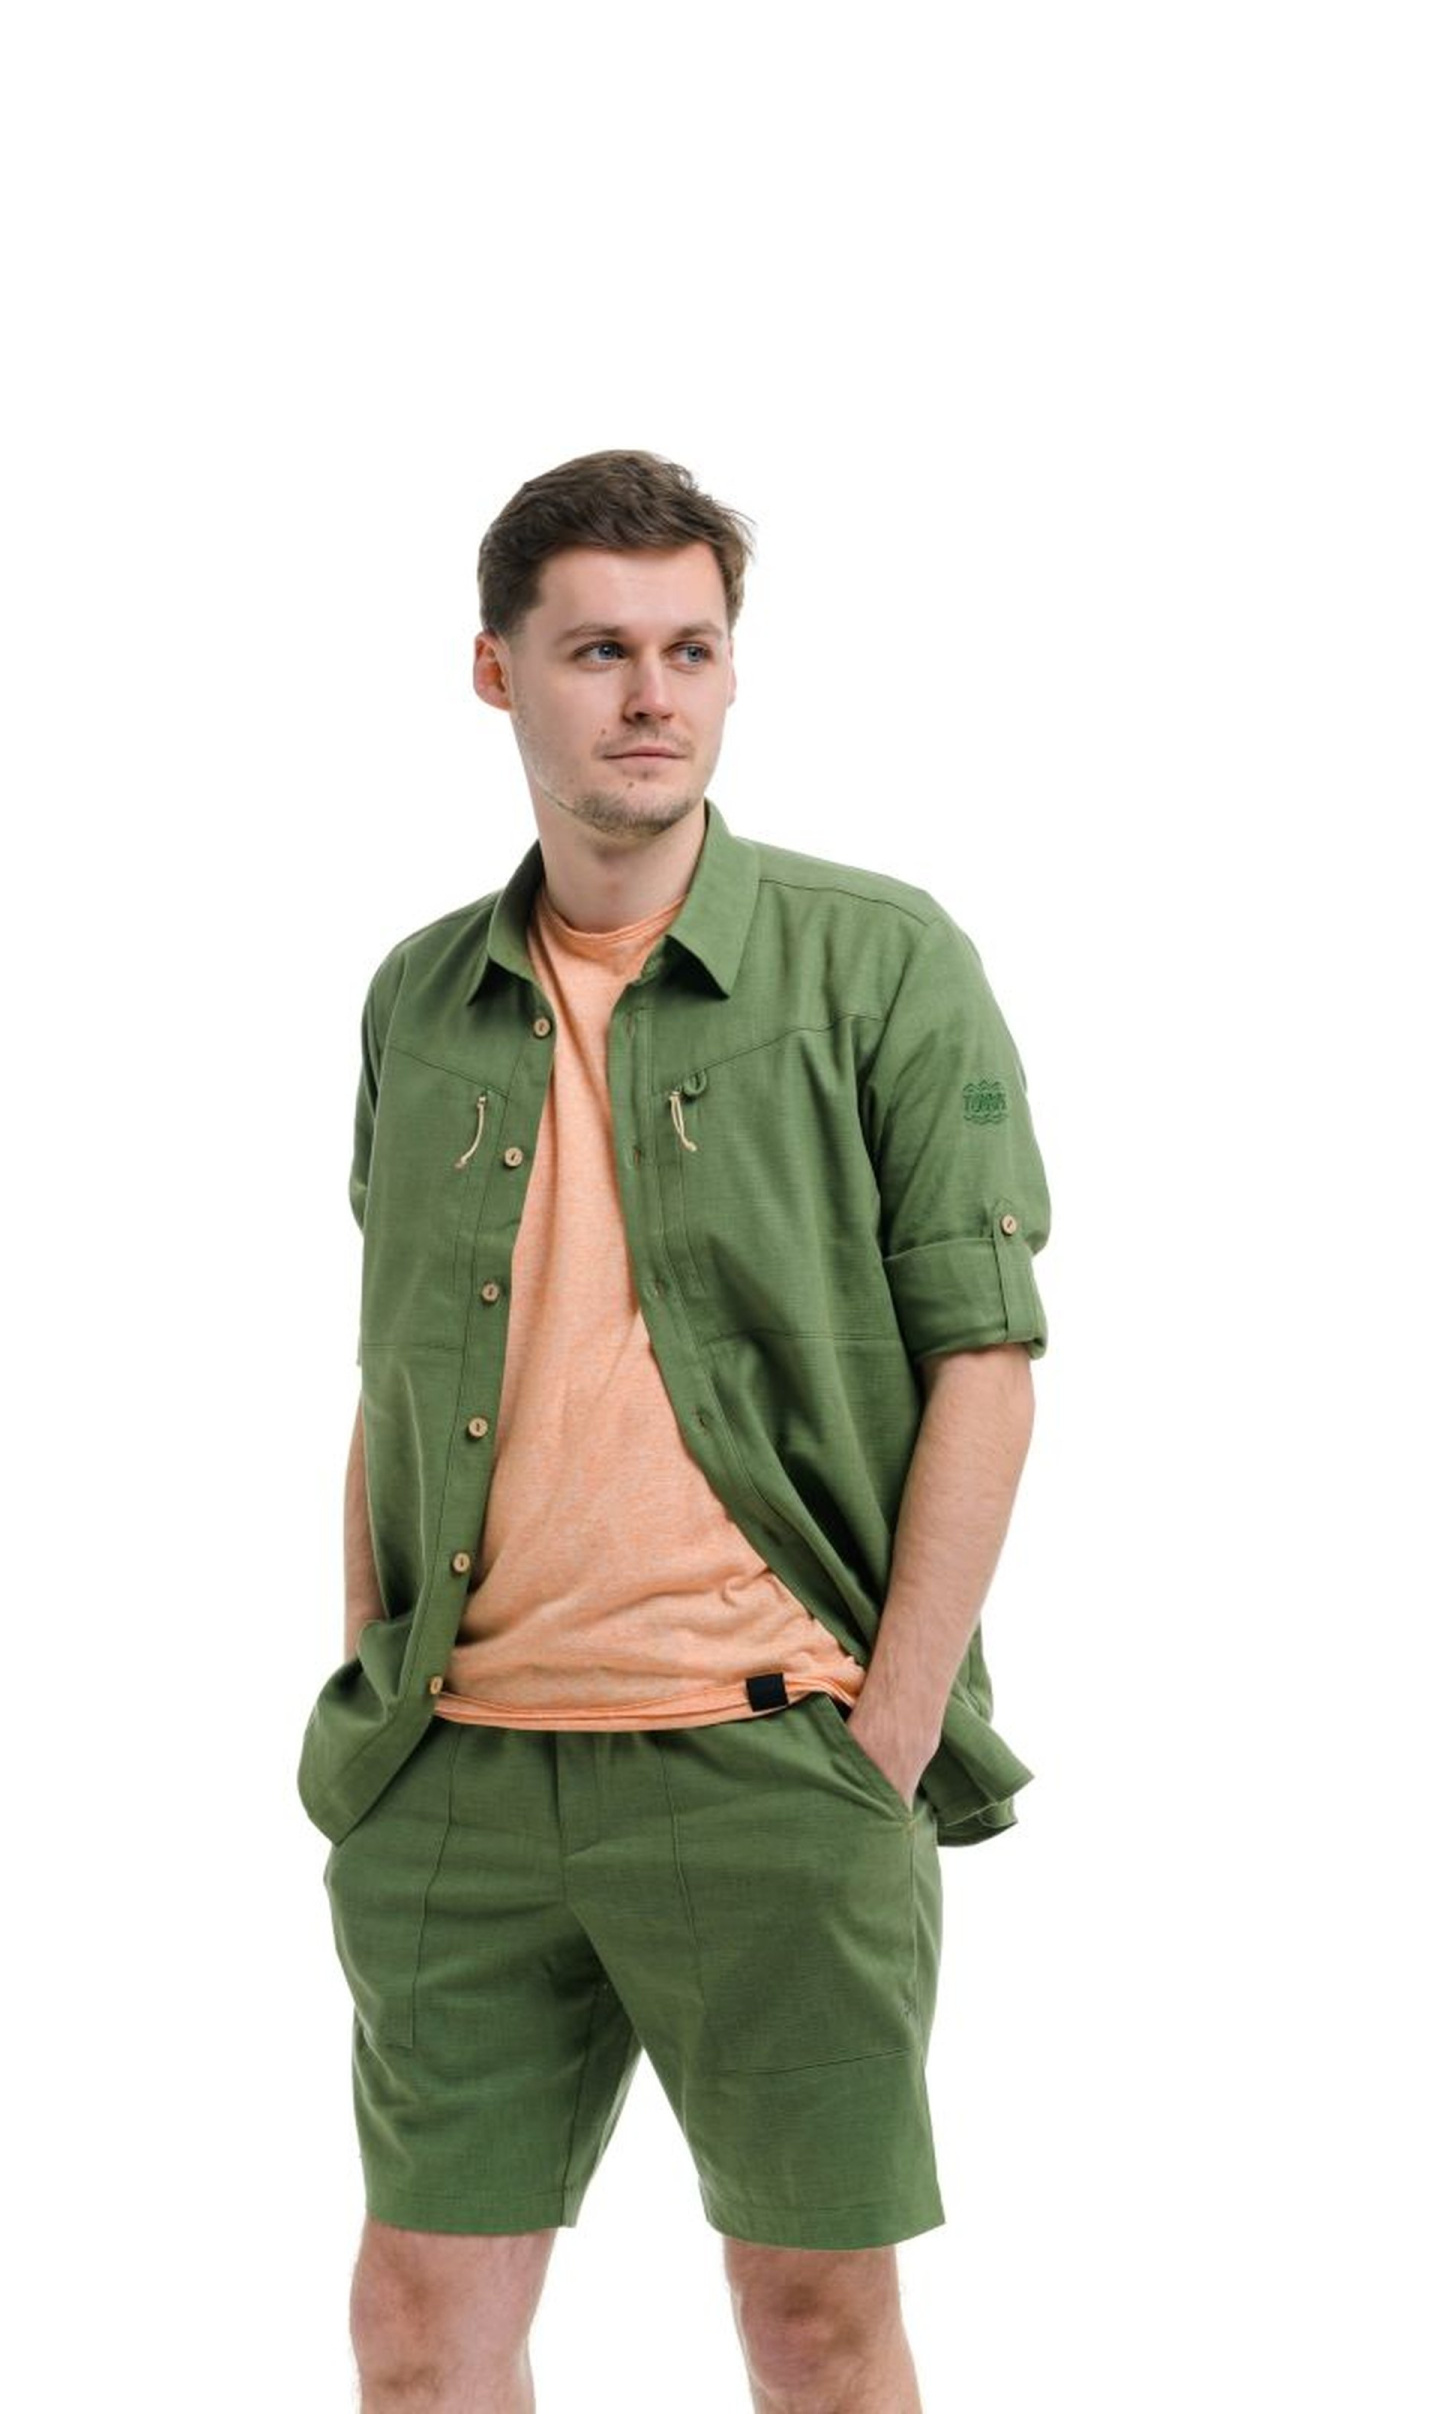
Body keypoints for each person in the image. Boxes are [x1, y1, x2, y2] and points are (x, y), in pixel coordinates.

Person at [297, 449, 1051, 2413]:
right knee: (414, 2338)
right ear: (496, 671)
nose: (651, 696)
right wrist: (374, 1680)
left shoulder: (877, 959)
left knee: (812, 2330)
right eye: (597, 651)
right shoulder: (417, 1000)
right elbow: (394, 1367)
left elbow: (983, 1358)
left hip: (770, 1757)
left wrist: (886, 1730)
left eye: (689, 649)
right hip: (459, 1775)